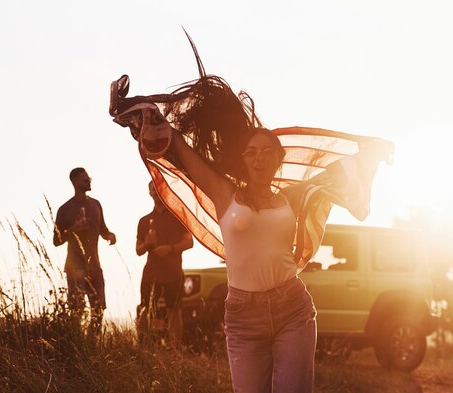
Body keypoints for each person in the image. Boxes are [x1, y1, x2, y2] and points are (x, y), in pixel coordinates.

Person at [108, 37, 391, 392]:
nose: (258, 159)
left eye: (266, 153)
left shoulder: (292, 196)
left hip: (293, 309)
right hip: (243, 317)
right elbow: (178, 146)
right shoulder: (225, 194)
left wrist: (372, 154)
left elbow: (335, 171)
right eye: (251, 153)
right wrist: (147, 113)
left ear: (277, 159)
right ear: (243, 160)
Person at [53, 167, 116, 332]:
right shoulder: (65, 209)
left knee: (98, 309)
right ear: (75, 182)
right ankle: (76, 343)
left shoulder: (96, 204)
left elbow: (103, 229)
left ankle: (92, 342)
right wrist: (74, 229)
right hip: (75, 268)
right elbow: (56, 240)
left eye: (89, 179)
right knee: (76, 310)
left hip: (94, 266)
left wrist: (110, 235)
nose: (89, 182)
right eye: (85, 180)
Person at [135, 180, 193, 345]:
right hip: (151, 273)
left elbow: (189, 242)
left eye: (158, 187)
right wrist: (146, 243)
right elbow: (138, 250)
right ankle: (143, 349)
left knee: (174, 313)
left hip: (173, 273)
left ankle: (176, 352)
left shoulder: (178, 216)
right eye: (152, 189)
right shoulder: (144, 221)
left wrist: (171, 248)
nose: (156, 191)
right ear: (150, 193)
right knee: (146, 312)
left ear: (164, 189)